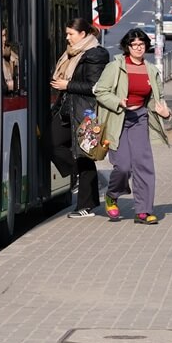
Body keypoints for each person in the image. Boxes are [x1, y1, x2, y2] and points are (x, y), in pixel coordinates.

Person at [93, 28, 171, 224]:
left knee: (144, 165)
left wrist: (165, 113)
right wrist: (118, 101)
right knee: (123, 166)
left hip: (140, 118)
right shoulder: (116, 67)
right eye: (134, 45)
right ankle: (112, 195)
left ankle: (143, 211)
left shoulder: (151, 70)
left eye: (142, 44)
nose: (138, 48)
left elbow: (157, 99)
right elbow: (100, 91)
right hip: (117, 119)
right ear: (127, 47)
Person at [49, 18, 109, 218]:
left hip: (86, 113)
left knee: (84, 156)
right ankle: (89, 184)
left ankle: (85, 205)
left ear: (83, 34)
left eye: (71, 34)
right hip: (68, 110)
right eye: (67, 33)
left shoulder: (96, 54)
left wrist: (67, 86)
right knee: (51, 143)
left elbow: (96, 87)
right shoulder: (71, 53)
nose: (67, 38)